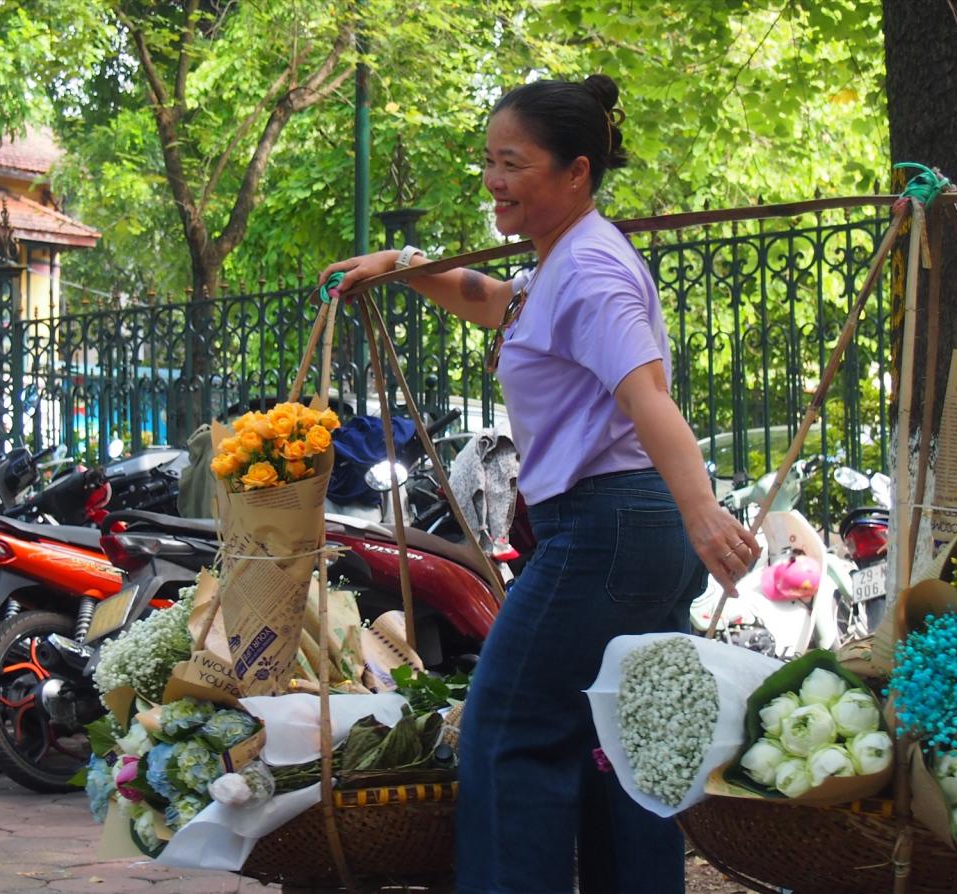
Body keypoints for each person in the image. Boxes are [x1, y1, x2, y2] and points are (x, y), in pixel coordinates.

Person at [320, 74, 760, 894]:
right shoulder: (562, 267)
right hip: (624, 530)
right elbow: (496, 304)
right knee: (621, 745)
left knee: (508, 730)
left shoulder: (592, 273)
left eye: (513, 164)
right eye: (488, 162)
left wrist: (705, 514)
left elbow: (647, 396)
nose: (493, 181)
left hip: (609, 528)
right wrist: (405, 265)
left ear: (576, 172)